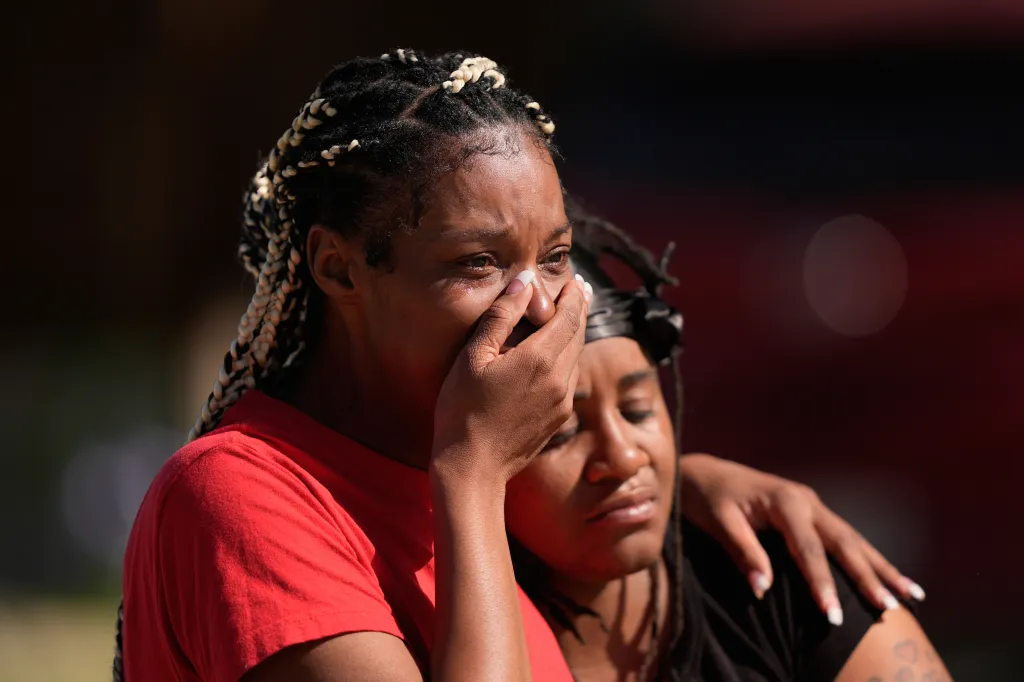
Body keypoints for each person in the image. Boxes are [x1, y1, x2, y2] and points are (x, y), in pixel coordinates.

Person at [118, 48, 929, 682]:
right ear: (339, 269)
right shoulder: (242, 497)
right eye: (478, 263)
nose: (540, 306)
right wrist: (474, 473)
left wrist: (675, 484)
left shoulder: (481, 479)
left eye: (556, 257)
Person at [504, 199, 953, 681]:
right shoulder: (453, 628)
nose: (624, 456)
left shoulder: (777, 579)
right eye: (561, 434)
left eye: (637, 410)